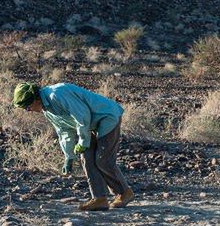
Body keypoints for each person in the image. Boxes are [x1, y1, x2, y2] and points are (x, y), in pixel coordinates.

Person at [12, 82, 134, 211]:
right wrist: (68, 157)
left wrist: (82, 142)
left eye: (27, 107)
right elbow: (64, 131)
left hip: (106, 116)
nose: (28, 111)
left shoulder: (57, 95)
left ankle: (124, 193)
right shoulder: (47, 110)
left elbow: (82, 116)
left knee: (103, 160)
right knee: (87, 158)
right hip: (90, 125)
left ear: (35, 98)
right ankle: (99, 199)